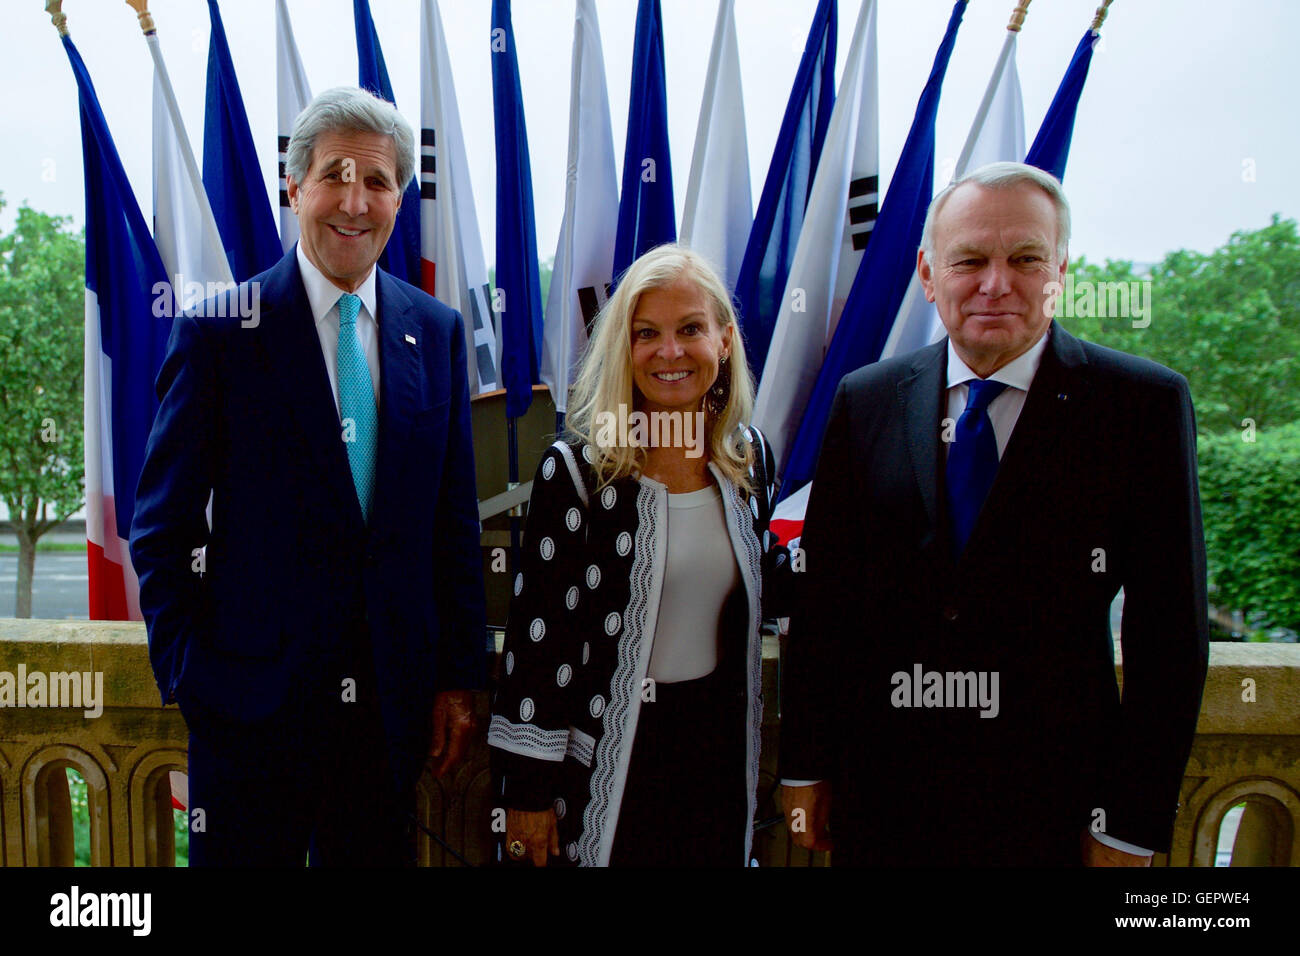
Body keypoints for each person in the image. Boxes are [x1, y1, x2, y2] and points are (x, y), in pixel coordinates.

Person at [780, 162, 1209, 866]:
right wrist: (805, 767)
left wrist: (1128, 824)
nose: (995, 282)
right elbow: (827, 607)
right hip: (884, 806)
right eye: (970, 260)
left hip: (1055, 814)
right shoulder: (867, 398)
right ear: (927, 272)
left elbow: (1172, 638)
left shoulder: (1141, 407)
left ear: (1060, 270)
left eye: (1025, 259)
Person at [130, 86, 486, 866]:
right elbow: (161, 529)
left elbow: (453, 526)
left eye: (379, 180)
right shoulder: (222, 332)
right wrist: (195, 677)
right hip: (249, 713)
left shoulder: (437, 330)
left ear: (401, 198)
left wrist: (458, 678)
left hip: (390, 720)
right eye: (334, 174)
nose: (355, 200)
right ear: (295, 188)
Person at [488, 244, 784, 867]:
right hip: (608, 761)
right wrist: (528, 793)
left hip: (716, 755)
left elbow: (769, 578)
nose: (669, 352)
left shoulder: (749, 458)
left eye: (690, 329)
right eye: (646, 333)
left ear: (725, 341)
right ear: (624, 347)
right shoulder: (578, 471)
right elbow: (539, 639)